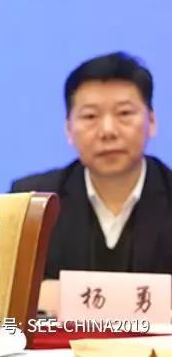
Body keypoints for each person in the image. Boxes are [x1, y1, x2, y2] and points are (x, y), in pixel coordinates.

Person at [11, 52, 172, 279]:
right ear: (69, 129)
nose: (108, 131)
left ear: (152, 121)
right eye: (90, 116)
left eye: (124, 113)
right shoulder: (33, 202)